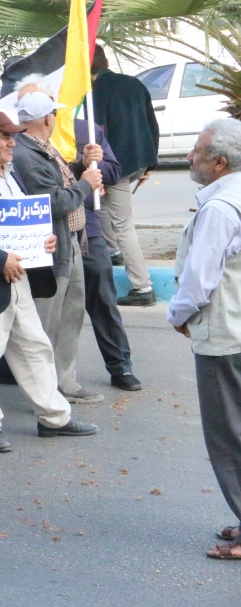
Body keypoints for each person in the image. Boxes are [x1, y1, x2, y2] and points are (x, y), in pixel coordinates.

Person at [0, 111, 98, 453]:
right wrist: (1, 260)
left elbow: (23, 223)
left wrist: (42, 242)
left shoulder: (13, 177)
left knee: (36, 348)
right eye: (6, 137)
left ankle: (53, 417)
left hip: (22, 279)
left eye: (13, 136)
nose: (13, 143)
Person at [166, 118, 241, 560]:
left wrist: (179, 314)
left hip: (224, 334)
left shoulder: (219, 208)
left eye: (197, 151)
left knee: (229, 435)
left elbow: (199, 279)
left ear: (220, 162)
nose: (190, 157)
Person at [12, 92, 105, 405]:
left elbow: (61, 183)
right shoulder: (26, 154)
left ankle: (63, 383)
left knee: (71, 316)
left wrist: (81, 166)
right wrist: (86, 183)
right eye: (53, 114)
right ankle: (44, 392)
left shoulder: (41, 147)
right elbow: (52, 202)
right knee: (48, 325)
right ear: (46, 119)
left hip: (70, 242)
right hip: (52, 249)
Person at [74, 119, 142, 392]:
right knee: (49, 307)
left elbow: (113, 171)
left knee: (103, 299)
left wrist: (95, 164)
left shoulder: (86, 130)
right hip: (49, 230)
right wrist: (79, 165)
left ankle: (120, 366)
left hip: (89, 227)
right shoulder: (24, 137)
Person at [91, 45, 160, 306]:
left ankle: (143, 288)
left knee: (123, 224)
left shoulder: (95, 91)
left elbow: (96, 133)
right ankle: (113, 252)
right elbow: (152, 123)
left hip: (115, 164)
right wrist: (151, 162)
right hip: (139, 160)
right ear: (106, 61)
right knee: (106, 206)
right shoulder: (133, 83)